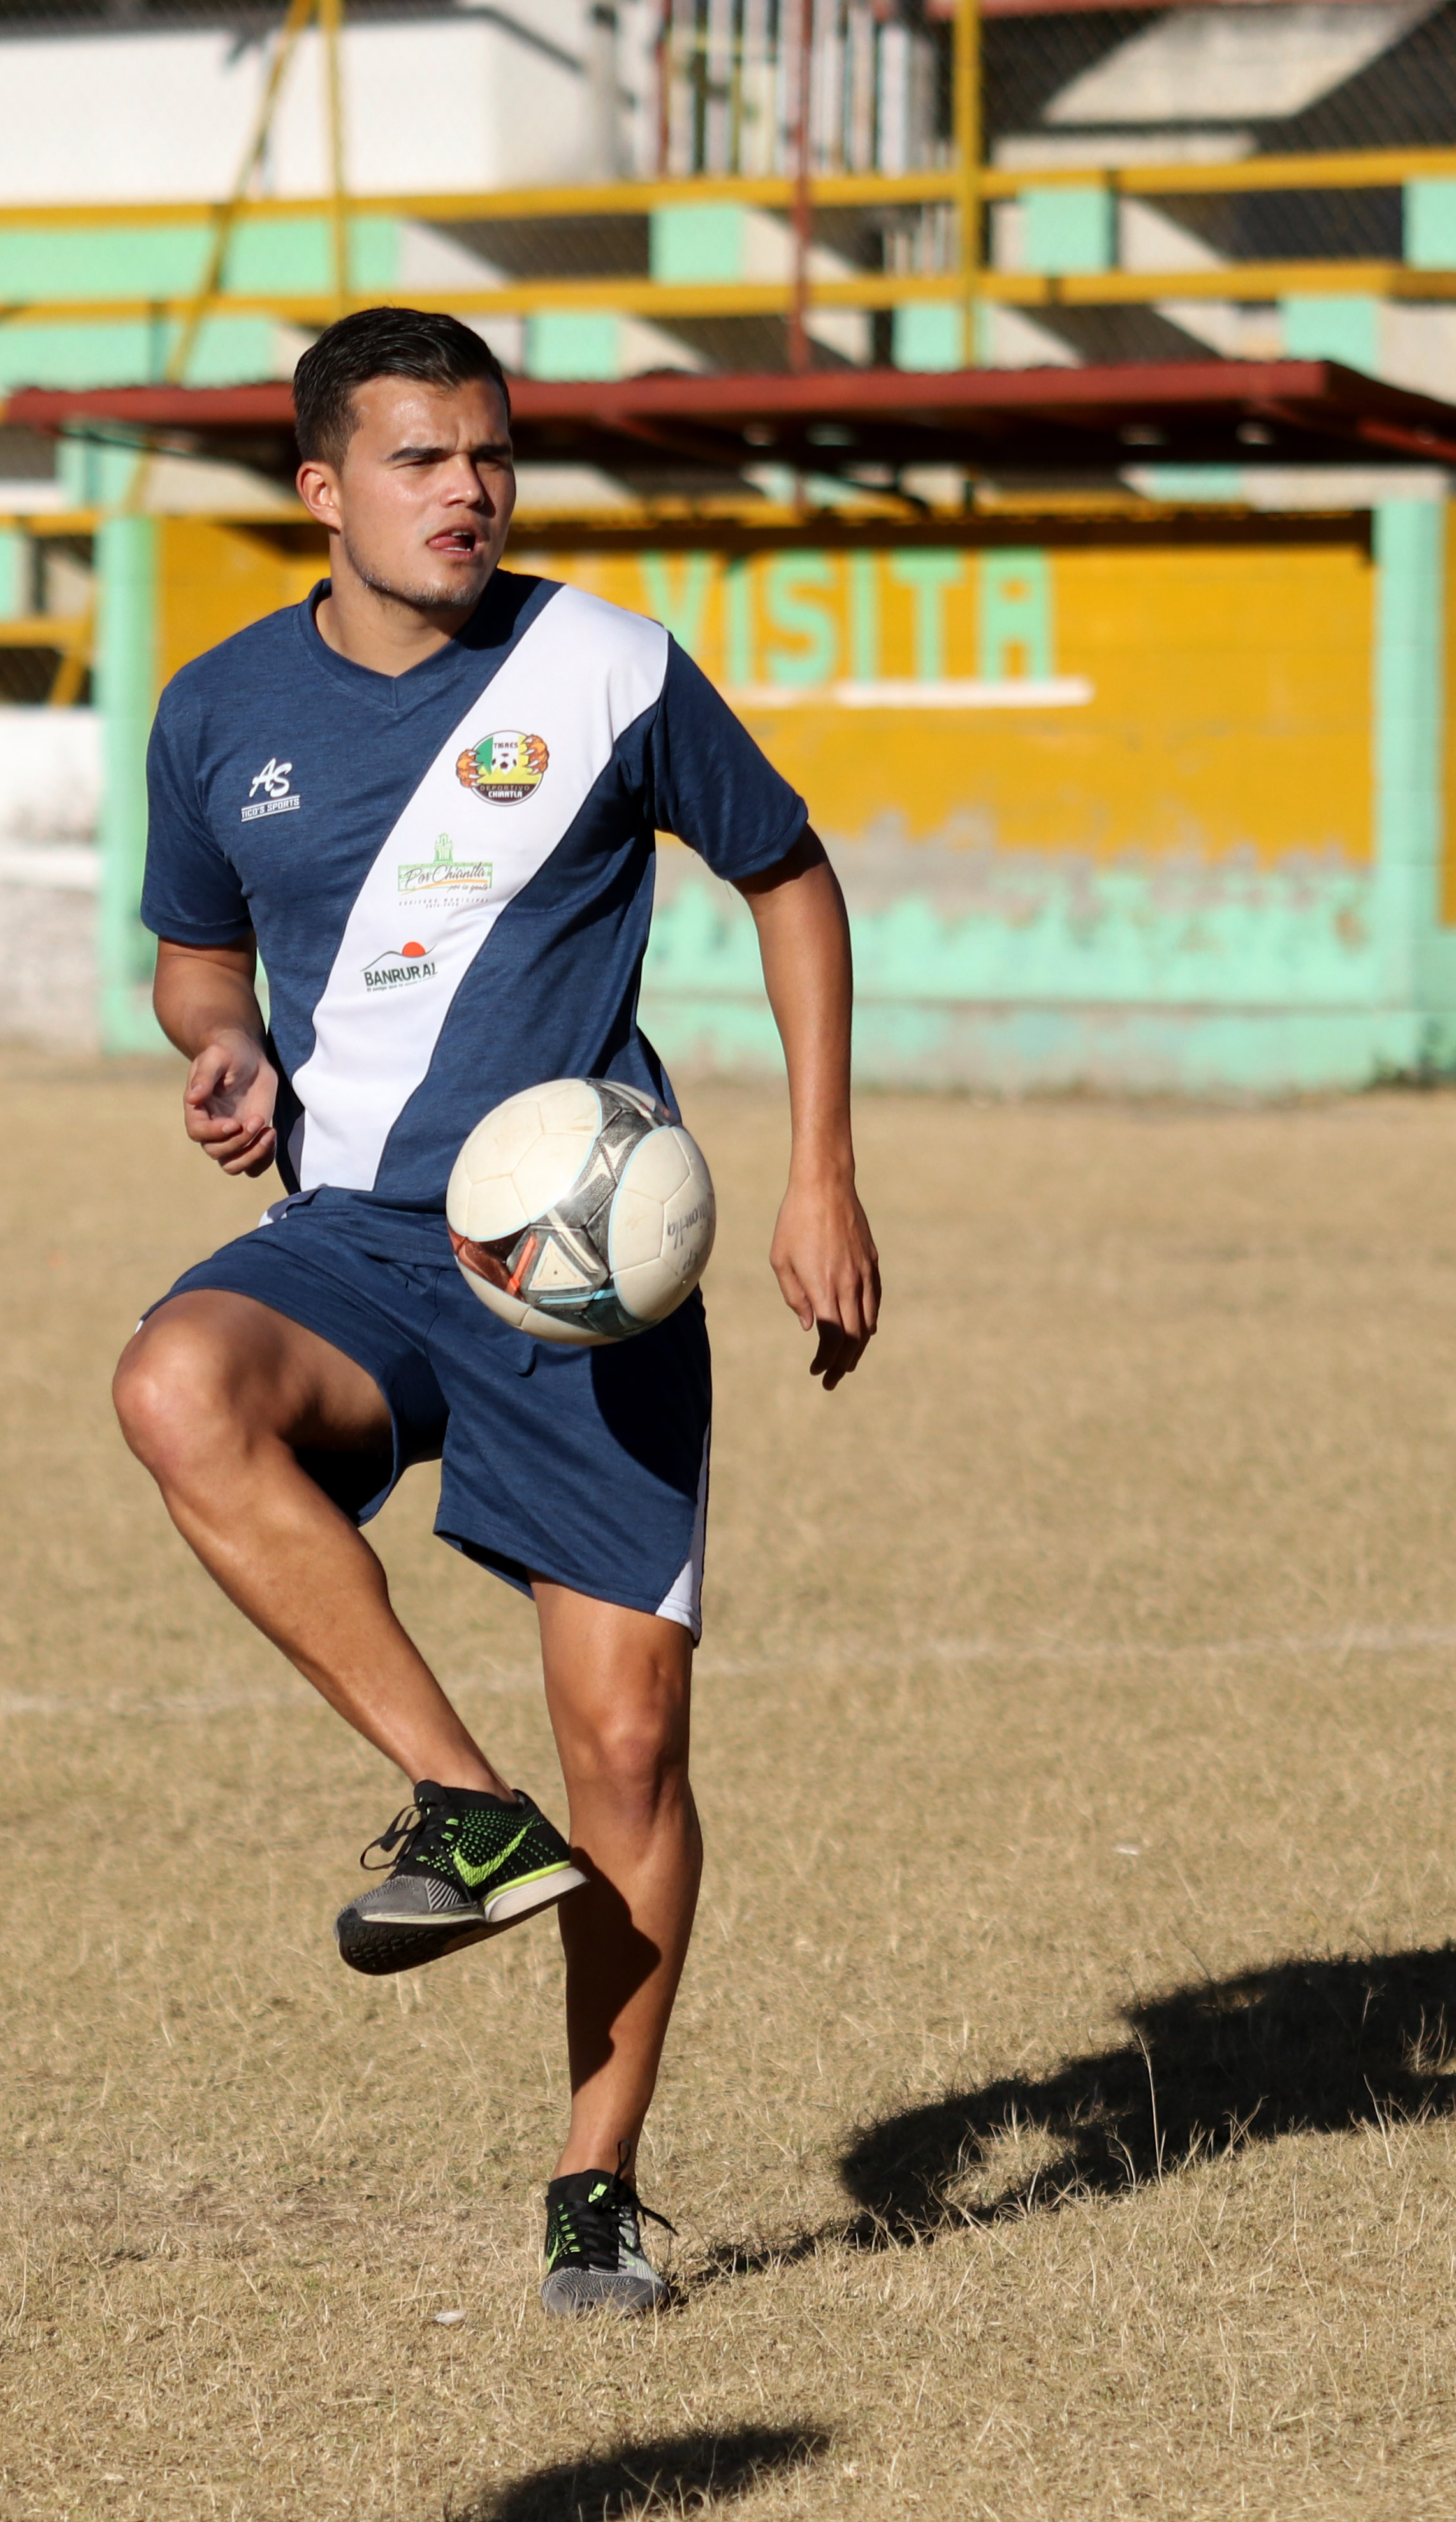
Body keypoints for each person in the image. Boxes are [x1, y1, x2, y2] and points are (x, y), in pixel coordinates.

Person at [109, 307, 878, 2318]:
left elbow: (790, 876)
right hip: (355, 1239)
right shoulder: (214, 711)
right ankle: (459, 1808)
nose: (467, 492)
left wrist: (818, 1171)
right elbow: (195, 959)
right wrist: (221, 1051)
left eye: (488, 457)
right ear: (322, 491)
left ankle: (594, 2189)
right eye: (419, 460)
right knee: (177, 1386)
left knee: (627, 1744)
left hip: (582, 1265)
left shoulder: (604, 669)